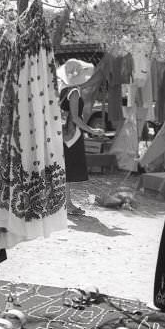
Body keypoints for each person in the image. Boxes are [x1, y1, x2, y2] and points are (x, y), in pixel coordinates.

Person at [58, 59, 102, 216]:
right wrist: (92, 130)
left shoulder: (61, 89)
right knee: (69, 170)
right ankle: (68, 205)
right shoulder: (74, 92)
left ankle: (65, 203)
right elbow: (76, 118)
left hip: (62, 133)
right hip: (72, 135)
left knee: (64, 169)